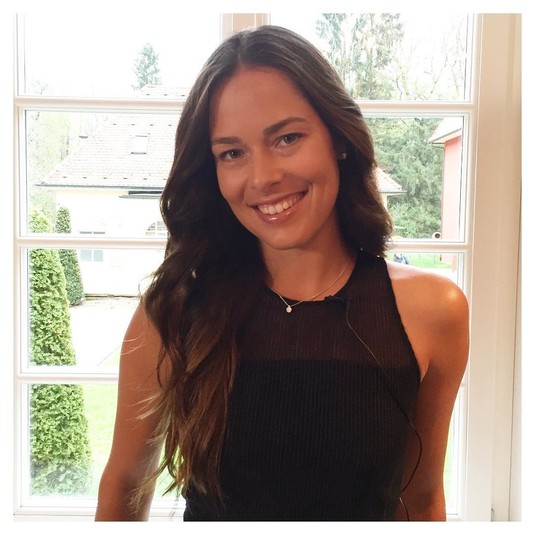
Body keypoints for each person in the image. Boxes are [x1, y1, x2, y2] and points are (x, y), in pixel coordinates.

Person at [95, 25, 469, 522]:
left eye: (287, 138)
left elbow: (420, 500)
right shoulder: (174, 313)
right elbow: (123, 486)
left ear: (339, 138)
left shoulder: (433, 312)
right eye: (232, 153)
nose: (263, 177)